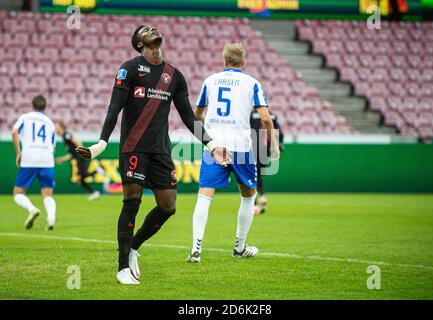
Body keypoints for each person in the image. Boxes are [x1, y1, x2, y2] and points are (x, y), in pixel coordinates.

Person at [76, 25, 229, 285]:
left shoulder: (175, 76)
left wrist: (212, 145)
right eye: (145, 30)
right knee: (132, 201)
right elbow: (114, 108)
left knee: (168, 207)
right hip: (134, 147)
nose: (153, 29)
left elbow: (189, 117)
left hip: (161, 150)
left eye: (153, 27)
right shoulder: (129, 69)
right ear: (139, 44)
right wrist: (101, 144)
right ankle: (123, 266)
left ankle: (134, 247)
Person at [186, 43, 280, 263]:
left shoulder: (210, 81)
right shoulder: (252, 83)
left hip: (215, 147)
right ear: (243, 62)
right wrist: (274, 144)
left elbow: (197, 114)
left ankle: (195, 250)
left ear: (224, 60)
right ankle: (239, 247)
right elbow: (266, 118)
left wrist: (206, 131)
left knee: (204, 196)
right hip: (241, 148)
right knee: (249, 197)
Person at [11, 95, 57, 231]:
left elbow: (14, 132)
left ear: (32, 104)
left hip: (29, 157)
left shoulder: (25, 117)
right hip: (47, 159)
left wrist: (18, 153)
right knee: (47, 194)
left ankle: (32, 209)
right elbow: (52, 147)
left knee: (18, 192)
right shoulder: (49, 122)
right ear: (45, 106)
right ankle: (51, 219)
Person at [54, 122, 102, 200]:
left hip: (81, 157)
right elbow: (72, 154)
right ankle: (94, 192)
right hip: (79, 157)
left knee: (81, 176)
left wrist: (83, 152)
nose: (55, 128)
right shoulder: (63, 138)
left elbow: (77, 142)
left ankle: (97, 172)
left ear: (61, 127)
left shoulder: (67, 134)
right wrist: (62, 159)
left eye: (56, 126)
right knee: (80, 178)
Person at [250, 110, 284, 215]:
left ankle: (254, 204)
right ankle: (262, 196)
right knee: (258, 175)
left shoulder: (250, 114)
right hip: (266, 149)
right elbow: (280, 132)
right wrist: (279, 144)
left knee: (252, 176)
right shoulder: (272, 115)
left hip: (253, 148)